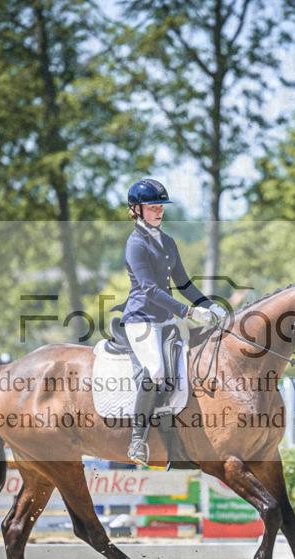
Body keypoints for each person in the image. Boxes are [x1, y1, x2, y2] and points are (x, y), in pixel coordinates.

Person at [116, 178, 227, 466]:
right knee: (154, 372)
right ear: (137, 210)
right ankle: (137, 441)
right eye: (153, 207)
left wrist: (209, 305)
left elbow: (183, 283)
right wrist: (189, 313)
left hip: (166, 321)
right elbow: (151, 290)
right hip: (142, 319)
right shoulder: (135, 244)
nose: (159, 211)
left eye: (161, 206)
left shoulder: (167, 241)